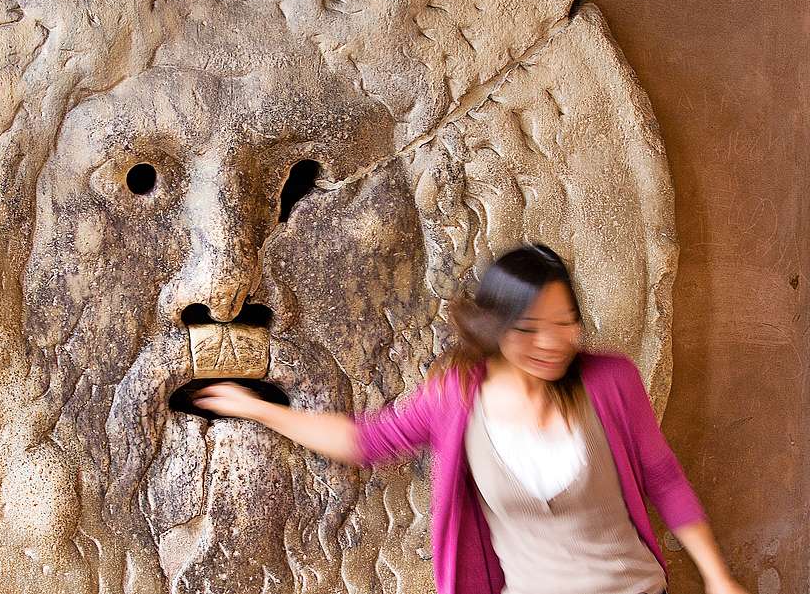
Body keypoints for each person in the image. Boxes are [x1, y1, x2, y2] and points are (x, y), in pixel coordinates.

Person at [192, 244, 748, 594]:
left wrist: (718, 577)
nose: (553, 343)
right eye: (530, 329)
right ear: (494, 330)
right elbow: (364, 440)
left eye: (566, 323)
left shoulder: (611, 381)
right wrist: (257, 406)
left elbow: (664, 478)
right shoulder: (457, 396)